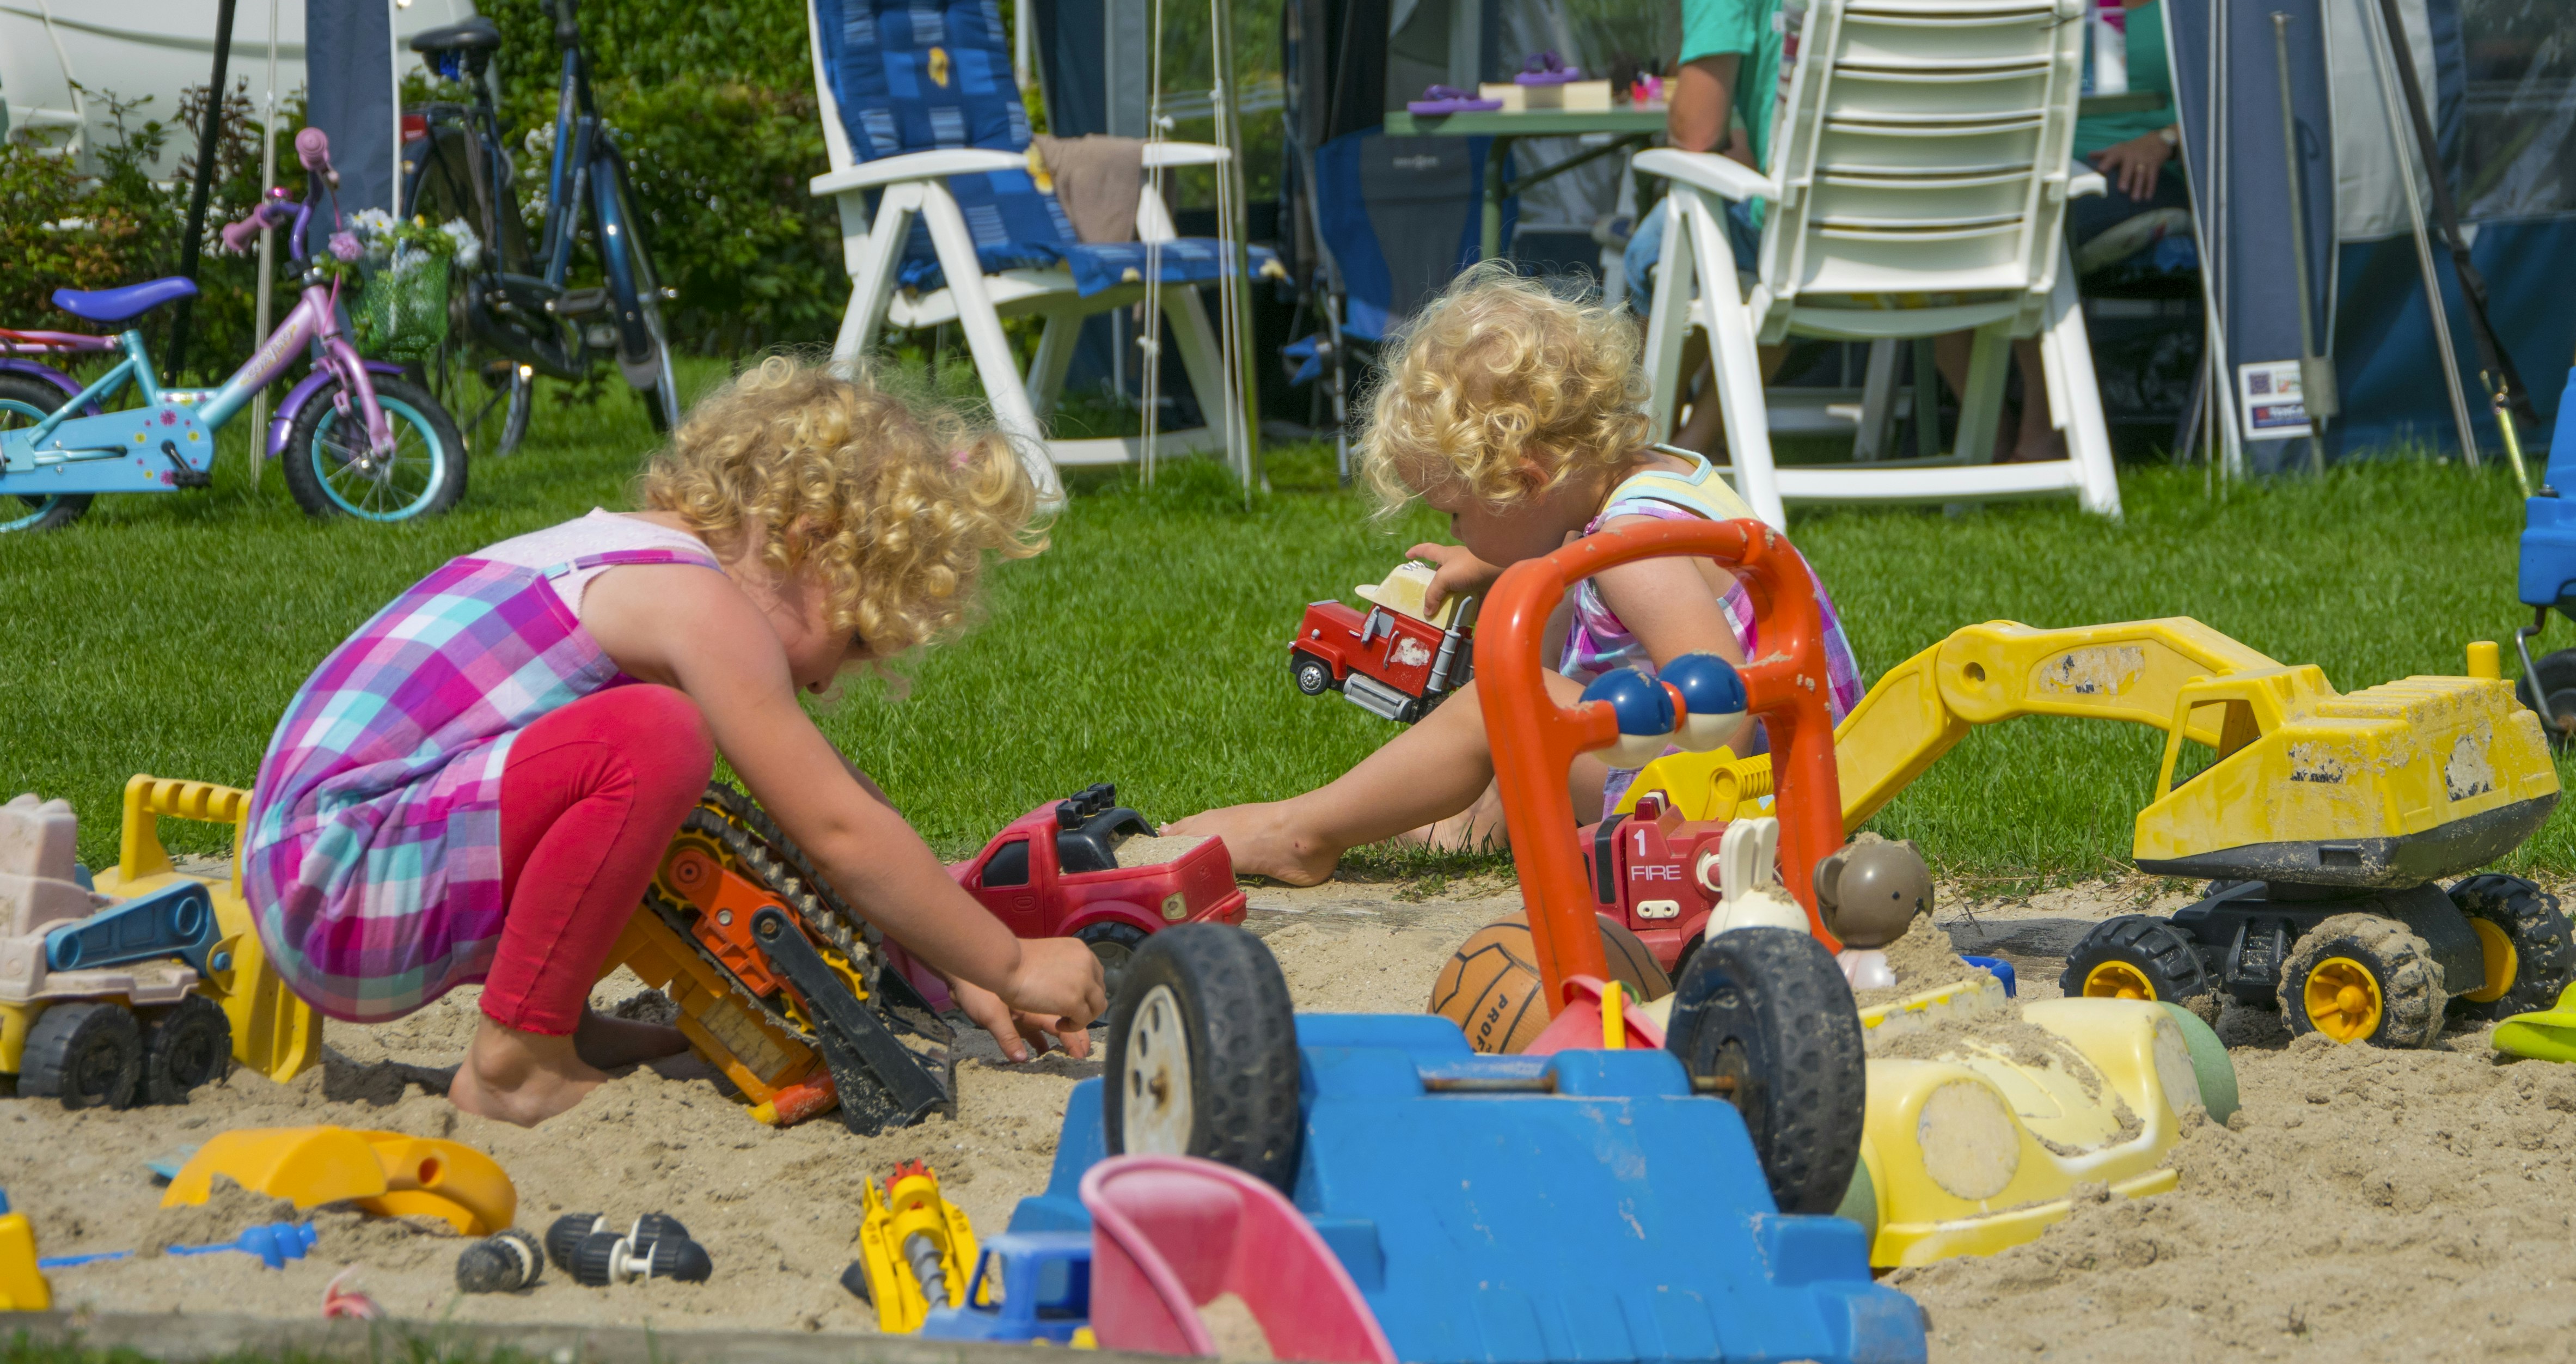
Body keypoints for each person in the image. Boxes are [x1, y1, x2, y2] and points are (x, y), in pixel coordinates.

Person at [241, 357, 1099, 1126]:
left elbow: (836, 794)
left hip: (323, 867)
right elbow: (837, 831)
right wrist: (1013, 960)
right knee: (656, 740)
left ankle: (555, 1018)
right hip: (340, 885)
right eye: (856, 640)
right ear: (811, 544)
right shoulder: (696, 607)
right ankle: (515, 1061)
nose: (833, 681)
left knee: (644, 783)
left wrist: (956, 951)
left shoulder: (623, 559)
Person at [1172, 265, 1863, 884]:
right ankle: (1483, 818)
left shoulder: (1634, 548)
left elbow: (1719, 704)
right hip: (1793, 765)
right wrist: (1492, 560)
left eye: (1456, 513)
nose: (1453, 531)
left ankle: (1300, 832)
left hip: (1749, 791)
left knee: (1500, 697)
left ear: (1521, 480)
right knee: (1541, 606)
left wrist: (1676, 844)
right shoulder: (1656, 477)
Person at [1936, 0, 2183, 461]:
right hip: (2059, 166)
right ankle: (1991, 444)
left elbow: (2240, 91)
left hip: (2152, 172)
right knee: (1942, 241)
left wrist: (2168, 138)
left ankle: (2038, 433)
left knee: (2031, 228)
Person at [1616, 0, 1806, 446]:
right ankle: (1690, 444)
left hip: (1795, 225)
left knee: (1653, 248)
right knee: (1728, 246)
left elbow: (1696, 131)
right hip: (1901, 216)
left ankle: (1625, 452)